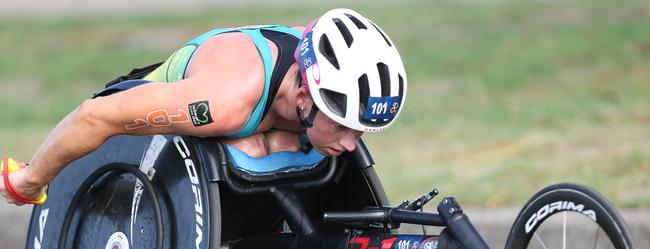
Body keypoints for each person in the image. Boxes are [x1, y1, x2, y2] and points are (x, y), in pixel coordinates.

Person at [0, 8, 407, 206]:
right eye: (342, 126)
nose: (352, 144)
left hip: (258, 110)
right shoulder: (222, 102)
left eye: (360, 130)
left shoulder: (320, 79)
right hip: (190, 96)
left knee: (262, 147)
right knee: (248, 145)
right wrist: (30, 181)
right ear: (304, 98)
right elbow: (96, 116)